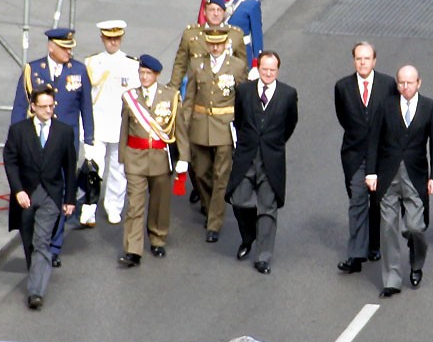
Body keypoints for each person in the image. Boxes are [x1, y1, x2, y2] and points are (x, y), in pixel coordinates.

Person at [10, 28, 93, 266]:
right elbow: (19, 107)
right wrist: (15, 139)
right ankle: (38, 239)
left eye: (70, 47)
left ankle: (53, 247)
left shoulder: (78, 71)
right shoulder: (33, 70)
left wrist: (90, 141)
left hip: (64, 145)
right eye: (65, 47)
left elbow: (86, 107)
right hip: (36, 143)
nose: (69, 51)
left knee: (61, 192)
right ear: (51, 47)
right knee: (36, 190)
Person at [366, 64, 433, 296]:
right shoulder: (385, 105)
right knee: (388, 227)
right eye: (401, 83)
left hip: (416, 176)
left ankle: (416, 264)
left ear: (419, 83)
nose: (405, 87)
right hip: (388, 175)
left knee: (415, 227)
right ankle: (392, 279)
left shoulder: (430, 107)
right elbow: (374, 140)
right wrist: (371, 172)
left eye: (410, 83)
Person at [3, 84, 77, 309]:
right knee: (29, 242)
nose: (48, 110)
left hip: (51, 195)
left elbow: (70, 165)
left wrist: (70, 199)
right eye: (43, 106)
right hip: (26, 195)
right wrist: (18, 190)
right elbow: (10, 161)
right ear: (33, 107)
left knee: (41, 241)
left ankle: (36, 292)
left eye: (51, 106)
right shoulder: (19, 130)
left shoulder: (64, 132)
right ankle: (36, 273)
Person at [227, 51, 298, 274]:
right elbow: (238, 120)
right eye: (264, 69)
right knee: (239, 200)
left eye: (272, 70)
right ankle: (249, 237)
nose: (268, 73)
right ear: (258, 69)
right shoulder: (245, 90)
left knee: (268, 208)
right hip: (246, 156)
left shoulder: (288, 94)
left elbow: (290, 124)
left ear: (278, 70)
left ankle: (263, 257)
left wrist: (274, 145)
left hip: (272, 160)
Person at [179, 27, 248, 243]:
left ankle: (214, 222)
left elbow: (243, 99)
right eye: (212, 44)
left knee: (221, 176)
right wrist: (184, 127)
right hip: (200, 125)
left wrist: (243, 127)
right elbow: (189, 98)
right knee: (200, 172)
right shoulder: (197, 65)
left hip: (225, 126)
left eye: (219, 43)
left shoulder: (237, 66)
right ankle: (209, 207)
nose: (215, 47)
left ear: (225, 43)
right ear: (207, 44)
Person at [335, 41, 396, 272]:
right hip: (355, 154)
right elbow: (344, 117)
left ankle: (373, 243)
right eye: (359, 58)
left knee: (377, 202)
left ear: (374, 61)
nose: (363, 62)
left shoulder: (388, 84)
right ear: (354, 61)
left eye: (367, 58)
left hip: (382, 155)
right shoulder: (342, 87)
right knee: (357, 200)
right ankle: (356, 255)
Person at [117, 54, 180, 267]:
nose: (144, 77)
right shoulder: (130, 98)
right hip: (135, 157)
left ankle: (157, 237)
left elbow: (179, 130)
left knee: (159, 203)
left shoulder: (170, 96)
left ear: (157, 75)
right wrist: (122, 156)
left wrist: (184, 157)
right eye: (141, 73)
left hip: (161, 158)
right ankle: (133, 250)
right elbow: (124, 129)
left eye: (148, 73)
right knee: (135, 205)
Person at [82, 20, 140, 226]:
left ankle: (114, 206)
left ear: (121, 38)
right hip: (98, 124)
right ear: (102, 39)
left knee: (119, 170)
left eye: (116, 38)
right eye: (109, 38)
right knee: (93, 169)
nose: (113, 42)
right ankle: (89, 207)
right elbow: (86, 97)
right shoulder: (91, 63)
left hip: (120, 126)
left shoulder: (132, 65)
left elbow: (135, 97)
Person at [167, 0, 248, 92]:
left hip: (225, 92)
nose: (216, 14)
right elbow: (180, 65)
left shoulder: (235, 35)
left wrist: (245, 93)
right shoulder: (191, 34)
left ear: (224, 13)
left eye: (219, 10)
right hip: (197, 89)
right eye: (212, 10)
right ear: (204, 12)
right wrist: (172, 90)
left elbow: (242, 66)